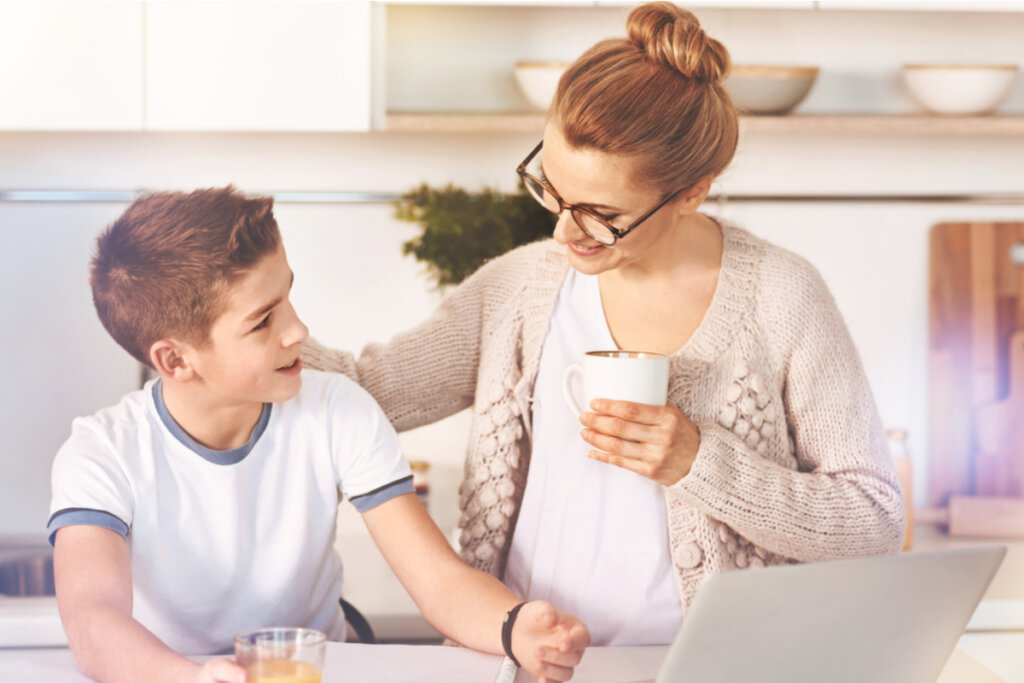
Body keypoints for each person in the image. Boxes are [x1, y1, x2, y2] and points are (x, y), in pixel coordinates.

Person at [301, 0, 906, 648]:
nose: (564, 230)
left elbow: (873, 520)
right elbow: (365, 388)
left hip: (712, 665)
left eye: (602, 213)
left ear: (692, 191)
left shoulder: (781, 298)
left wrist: (699, 462)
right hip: (528, 663)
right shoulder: (520, 288)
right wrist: (228, 321)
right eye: (553, 193)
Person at [48, 187, 589, 683]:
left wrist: (515, 627)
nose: (298, 330)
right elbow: (94, 620)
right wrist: (192, 679)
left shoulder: (337, 410)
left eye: (287, 297)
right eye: (262, 322)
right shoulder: (102, 452)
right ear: (174, 360)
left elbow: (438, 581)